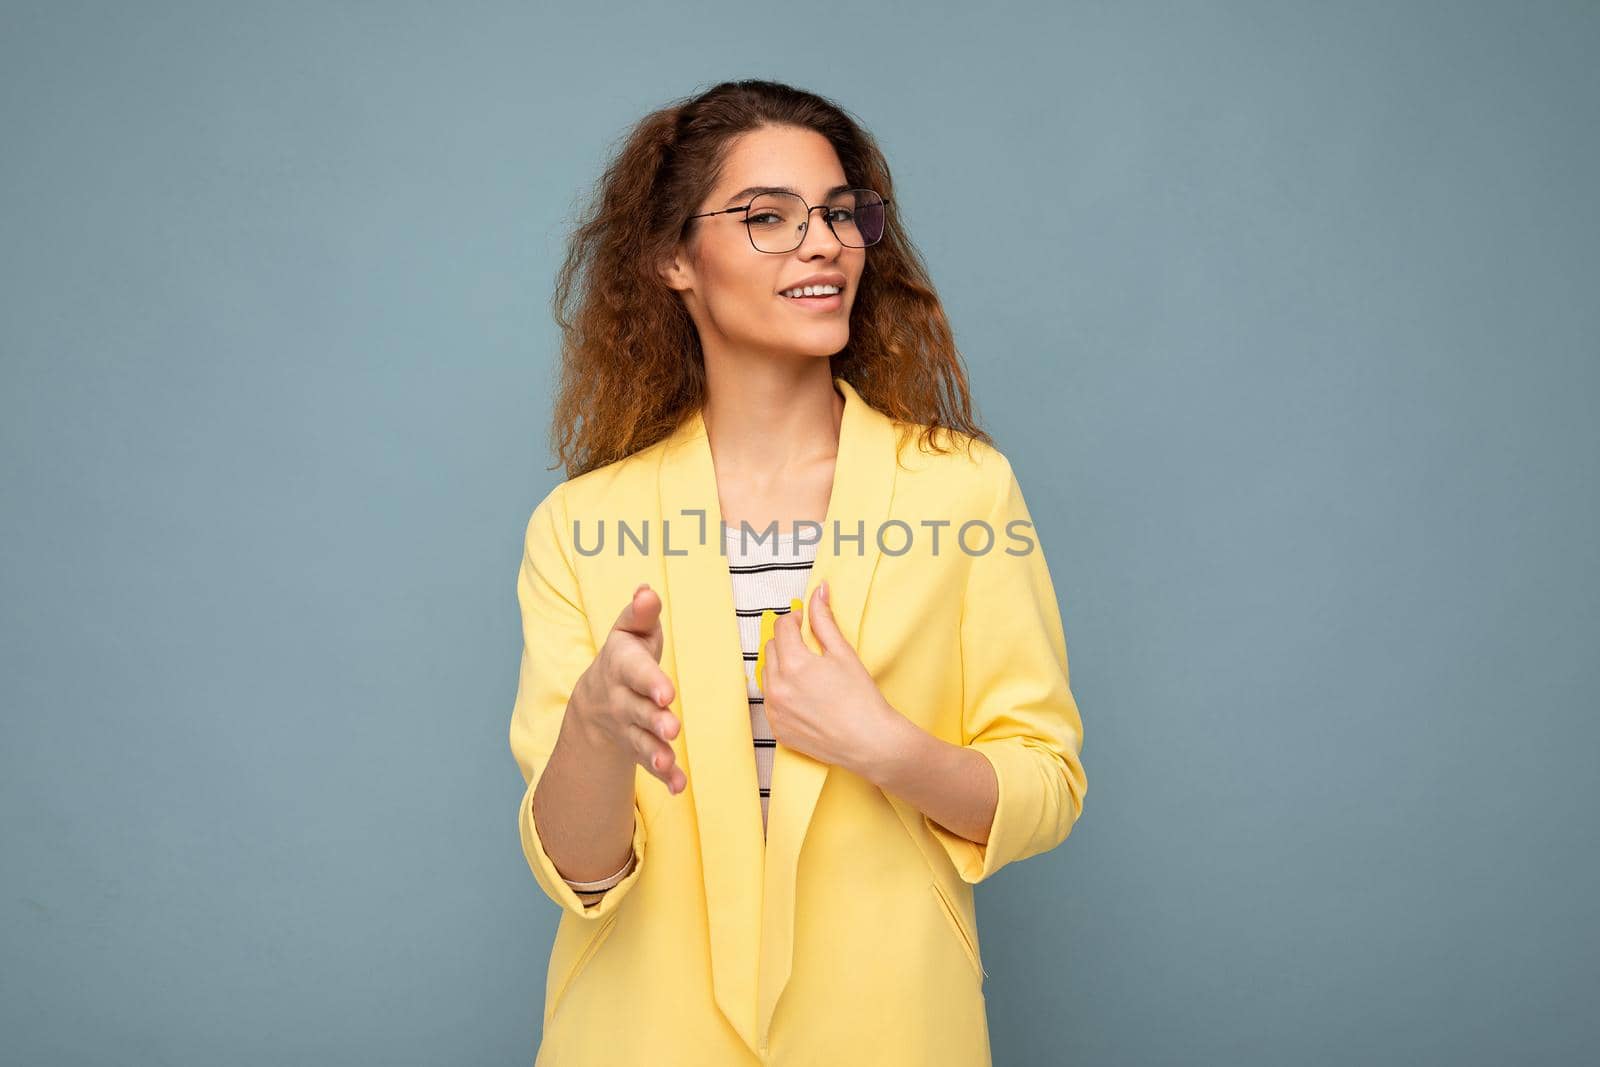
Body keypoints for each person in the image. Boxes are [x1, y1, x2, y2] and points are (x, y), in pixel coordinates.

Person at [508, 79, 1088, 1066]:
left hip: (890, 1029)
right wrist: (595, 732)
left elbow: (1046, 782)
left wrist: (885, 745)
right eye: (767, 217)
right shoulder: (581, 524)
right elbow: (581, 866)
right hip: (643, 1035)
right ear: (673, 258)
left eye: (838, 213)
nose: (821, 243)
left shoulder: (961, 491)